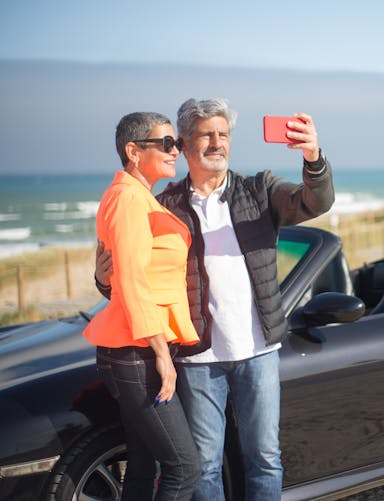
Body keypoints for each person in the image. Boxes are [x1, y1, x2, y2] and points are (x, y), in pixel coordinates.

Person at [96, 98, 334, 500]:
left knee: (265, 458)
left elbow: (314, 202)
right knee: (204, 466)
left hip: (258, 351)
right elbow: (135, 274)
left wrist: (313, 157)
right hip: (197, 358)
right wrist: (104, 280)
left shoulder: (260, 190)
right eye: (206, 134)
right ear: (185, 144)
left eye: (223, 134)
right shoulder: (164, 205)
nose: (217, 142)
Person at [84, 112, 201, 500]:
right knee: (184, 468)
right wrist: (160, 354)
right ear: (133, 152)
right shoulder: (128, 200)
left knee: (143, 464)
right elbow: (132, 280)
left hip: (142, 347)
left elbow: (125, 274)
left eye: (177, 144)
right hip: (137, 351)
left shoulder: (139, 198)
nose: (175, 152)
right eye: (166, 144)